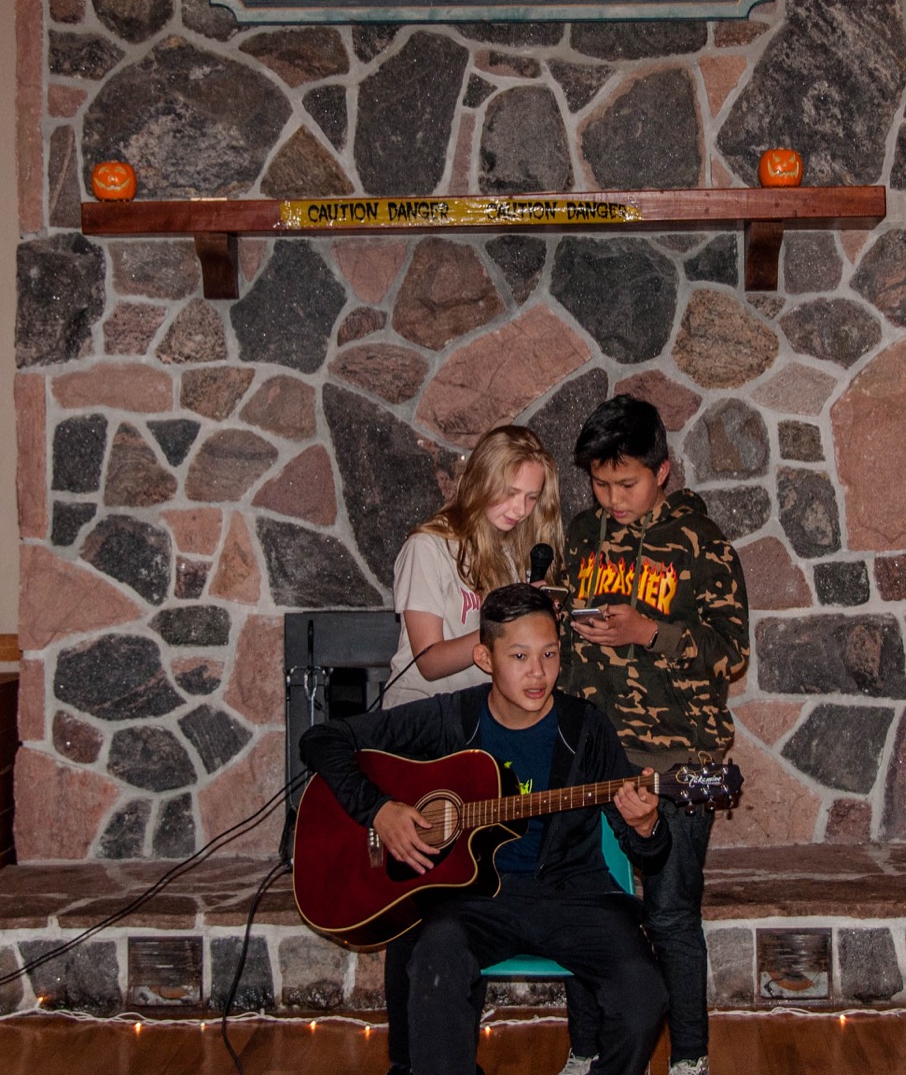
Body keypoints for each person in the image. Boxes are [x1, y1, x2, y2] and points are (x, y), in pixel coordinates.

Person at [299, 583, 670, 1075]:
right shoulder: (452, 718)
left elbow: (648, 851)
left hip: (572, 895)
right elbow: (322, 738)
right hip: (472, 900)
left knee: (644, 994)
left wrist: (647, 828)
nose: (538, 672)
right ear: (484, 657)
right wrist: (379, 810)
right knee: (433, 963)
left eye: (549, 654)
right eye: (519, 656)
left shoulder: (586, 728)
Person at [557, 394, 750, 1075]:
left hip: (677, 759)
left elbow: (731, 654)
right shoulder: (582, 534)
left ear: (662, 471)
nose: (612, 499)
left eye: (627, 483)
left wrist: (648, 631)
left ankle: (688, 1060)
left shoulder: (703, 544)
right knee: (587, 912)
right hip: (587, 752)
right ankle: (584, 1053)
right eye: (600, 484)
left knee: (670, 916)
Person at [384, 424, 562, 706]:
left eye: (531, 497)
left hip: (480, 711)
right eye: (510, 493)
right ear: (482, 480)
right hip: (420, 712)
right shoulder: (428, 547)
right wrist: (508, 624)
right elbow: (429, 663)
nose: (521, 509)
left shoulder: (512, 551)